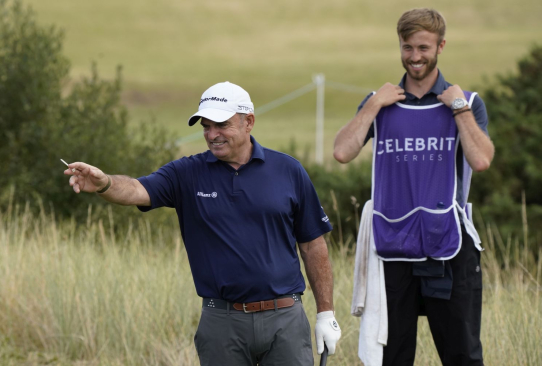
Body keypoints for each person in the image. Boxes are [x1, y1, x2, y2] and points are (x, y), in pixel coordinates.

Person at [64, 81, 341, 366]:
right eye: (206, 126)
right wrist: (105, 183)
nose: (212, 135)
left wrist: (326, 314)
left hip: (285, 319)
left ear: (249, 122)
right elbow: (135, 189)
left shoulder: (288, 170)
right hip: (221, 322)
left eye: (221, 125)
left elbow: (312, 244)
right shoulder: (186, 173)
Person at [334, 8, 494, 366]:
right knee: (392, 358)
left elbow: (481, 160)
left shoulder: (466, 102)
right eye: (407, 48)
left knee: (462, 356)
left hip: (449, 247)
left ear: (441, 46)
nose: (415, 57)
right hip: (393, 246)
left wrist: (458, 108)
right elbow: (342, 152)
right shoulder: (382, 103)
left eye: (423, 47)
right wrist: (373, 104)